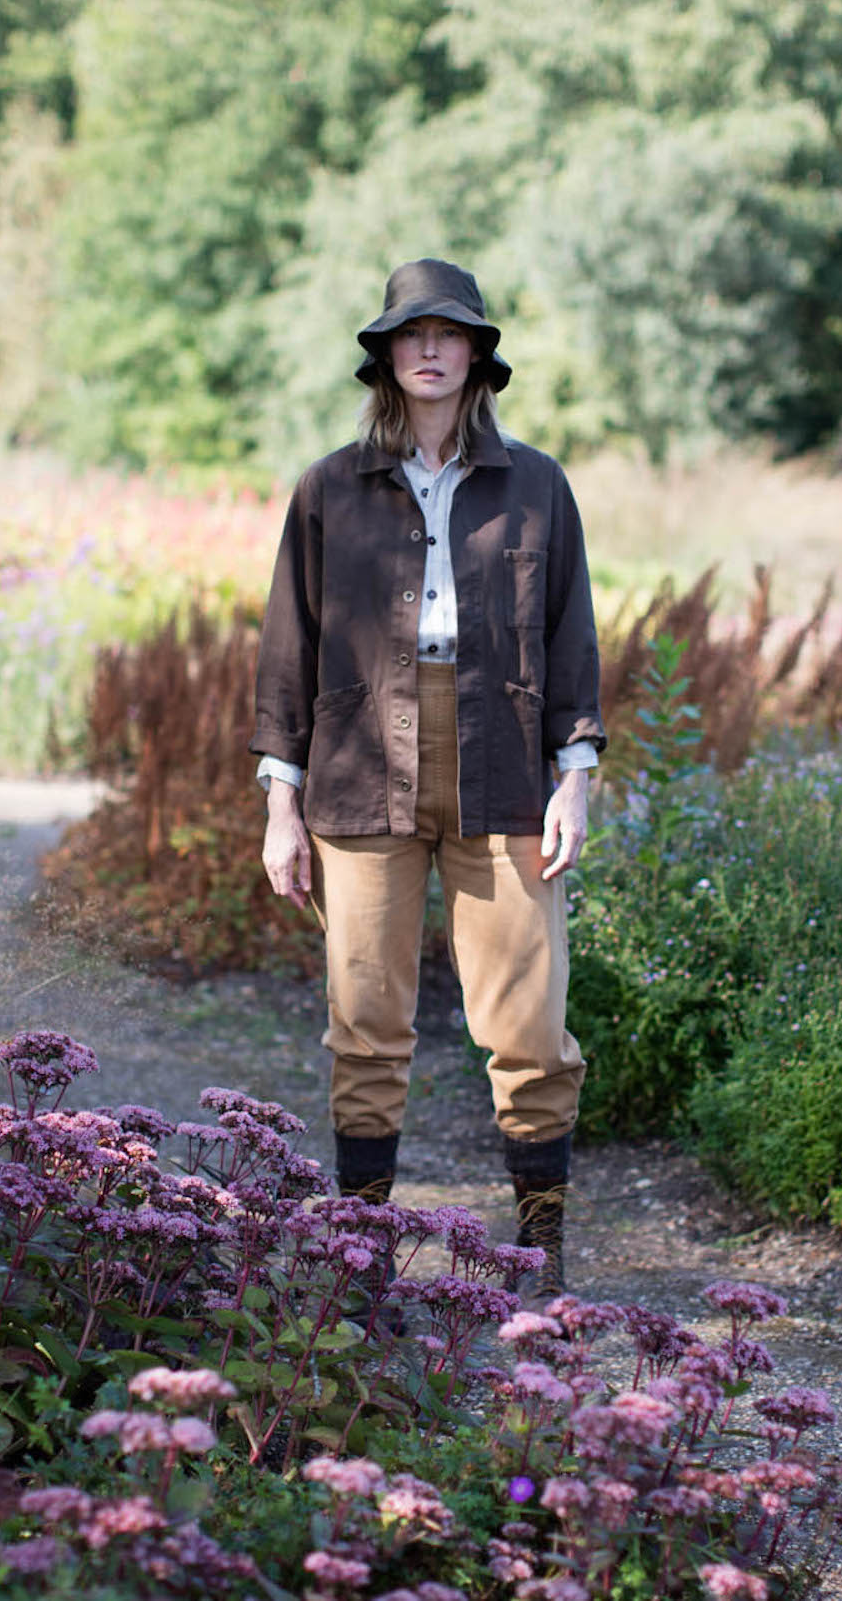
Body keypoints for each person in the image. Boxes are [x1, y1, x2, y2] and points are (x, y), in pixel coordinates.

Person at [251, 258, 605, 1298]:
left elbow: (572, 635)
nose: (432, 350)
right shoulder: (329, 489)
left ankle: (540, 1257)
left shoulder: (536, 485)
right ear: (387, 358)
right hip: (359, 768)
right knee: (365, 1021)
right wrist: (280, 803)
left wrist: (575, 776)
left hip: (505, 763)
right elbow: (287, 648)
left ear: (479, 356)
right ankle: (361, 1266)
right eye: (413, 335)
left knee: (530, 1028)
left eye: (450, 334)